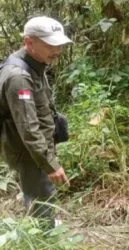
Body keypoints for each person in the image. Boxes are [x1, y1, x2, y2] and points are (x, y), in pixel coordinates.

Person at [0, 16, 72, 228]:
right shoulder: (19, 76)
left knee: (39, 188)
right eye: (51, 44)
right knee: (42, 192)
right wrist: (51, 164)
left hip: (35, 146)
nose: (57, 50)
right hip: (27, 149)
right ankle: (45, 235)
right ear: (29, 42)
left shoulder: (37, 63)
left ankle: (43, 223)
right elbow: (28, 129)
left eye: (59, 44)